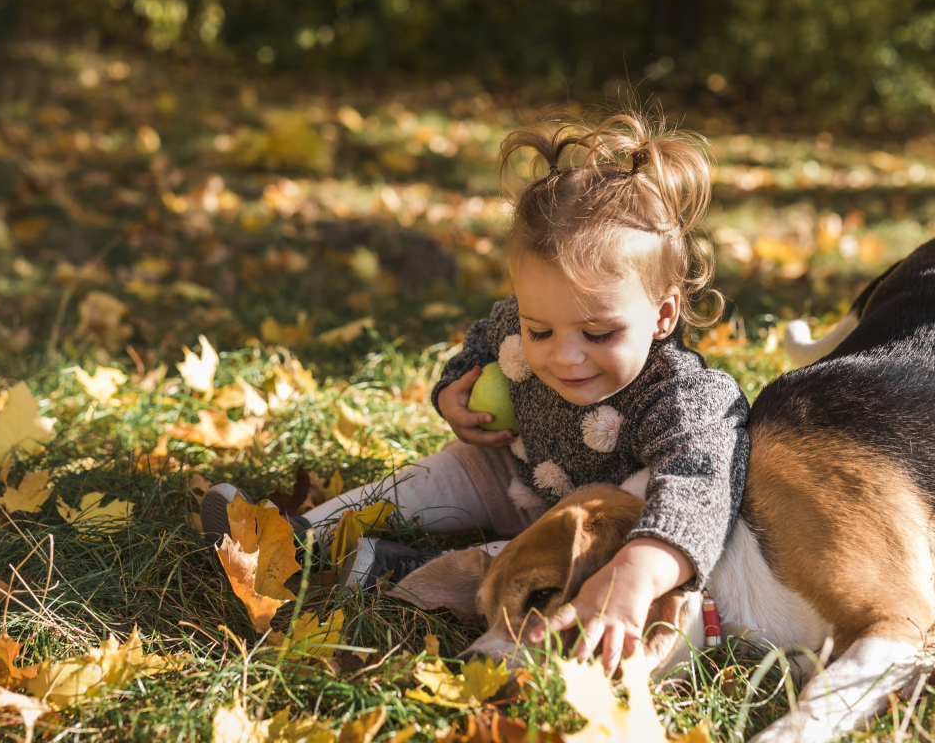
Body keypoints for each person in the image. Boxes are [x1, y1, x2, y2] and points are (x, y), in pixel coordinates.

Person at [203, 110, 749, 673]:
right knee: (444, 471)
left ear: (662, 316)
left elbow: (700, 488)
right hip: (513, 472)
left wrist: (637, 569)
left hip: (583, 535)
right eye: (540, 330)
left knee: (552, 548)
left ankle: (395, 571)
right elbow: (480, 345)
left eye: (598, 333)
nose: (563, 355)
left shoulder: (684, 396)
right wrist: (451, 395)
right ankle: (296, 537)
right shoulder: (519, 322)